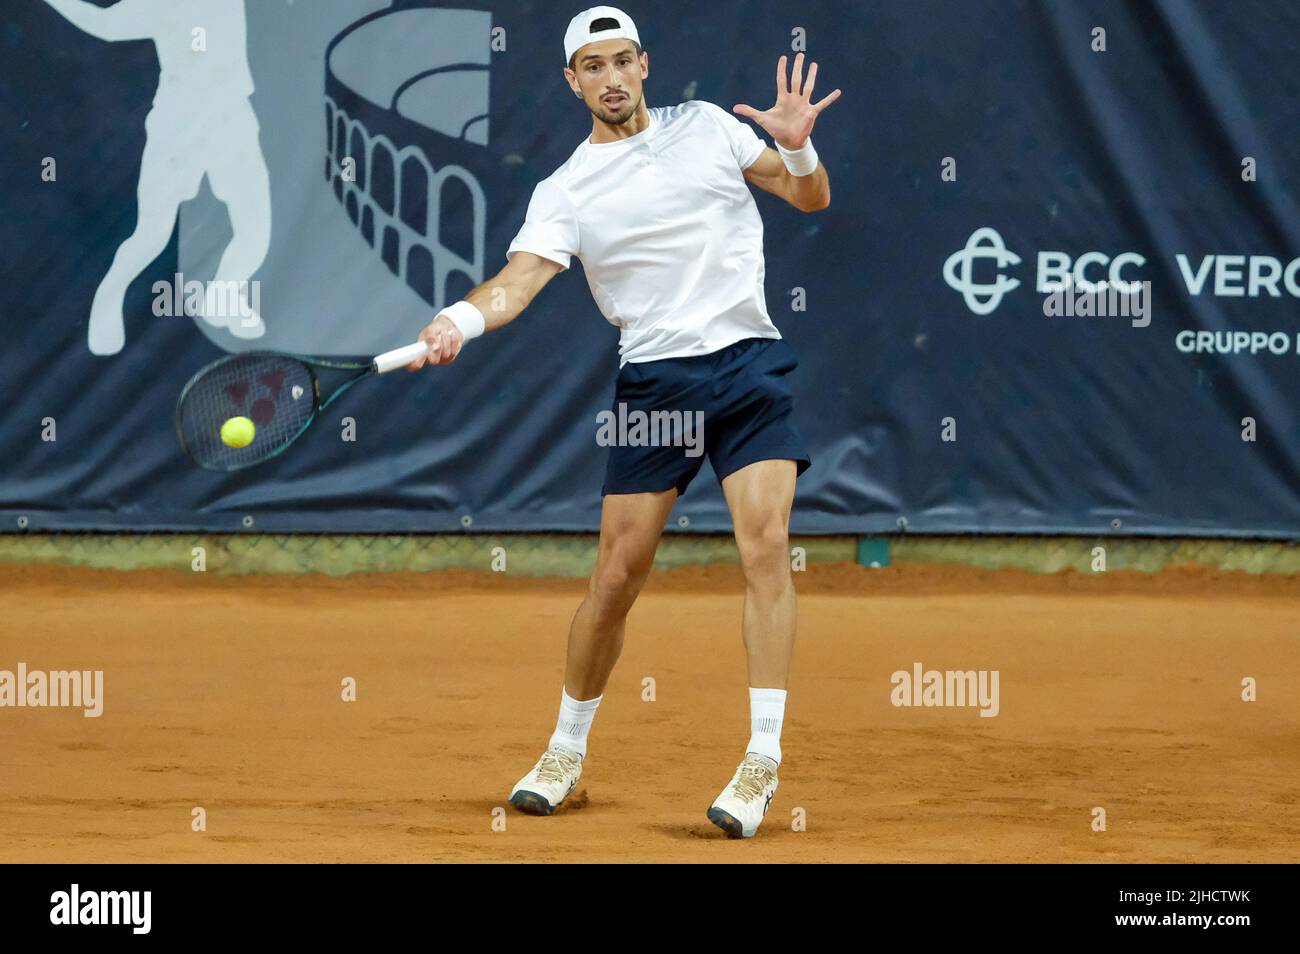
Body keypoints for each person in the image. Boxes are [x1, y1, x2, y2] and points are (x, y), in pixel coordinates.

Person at [407, 5, 839, 838]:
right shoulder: (565, 188)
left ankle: (761, 761)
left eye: (621, 61)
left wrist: (797, 143)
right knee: (615, 579)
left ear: (643, 64)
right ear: (573, 82)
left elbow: (809, 196)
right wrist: (458, 320)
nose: (610, 78)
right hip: (655, 386)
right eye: (591, 68)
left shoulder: (710, 126)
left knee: (766, 546)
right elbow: (519, 281)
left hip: (749, 365)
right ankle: (566, 750)